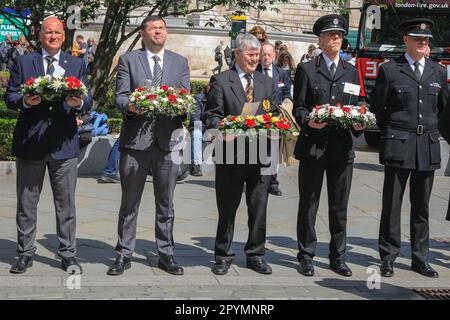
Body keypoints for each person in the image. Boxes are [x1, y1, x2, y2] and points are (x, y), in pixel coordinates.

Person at [5, 17, 92, 274]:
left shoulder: (76, 63)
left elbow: (88, 99)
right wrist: (26, 101)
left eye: (57, 32)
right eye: (48, 32)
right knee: (27, 202)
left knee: (66, 203)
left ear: (63, 36)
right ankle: (25, 253)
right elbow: (10, 96)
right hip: (31, 142)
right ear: (40, 35)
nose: (53, 36)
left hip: (63, 144)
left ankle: (67, 253)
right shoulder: (24, 61)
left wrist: (80, 105)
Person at [107, 16, 190, 276]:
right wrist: (130, 106)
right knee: (129, 203)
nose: (159, 31)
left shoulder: (180, 62)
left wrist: (181, 105)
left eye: (162, 28)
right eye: (153, 28)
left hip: (167, 144)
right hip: (135, 143)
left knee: (166, 203)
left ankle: (166, 254)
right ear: (143, 33)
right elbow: (119, 97)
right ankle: (123, 253)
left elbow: (186, 100)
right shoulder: (130, 60)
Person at [371, 18, 448, 278]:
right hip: (398, 144)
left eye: (426, 39)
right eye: (417, 38)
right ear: (405, 39)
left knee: (422, 207)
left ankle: (420, 257)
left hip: (426, 145)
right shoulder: (391, 70)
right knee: (392, 204)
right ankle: (389, 257)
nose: (423, 42)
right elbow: (377, 110)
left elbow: (444, 111)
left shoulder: (438, 72)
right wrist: (390, 135)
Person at [293, 14, 366, 277]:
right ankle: (306, 255)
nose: (336, 38)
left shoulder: (351, 70)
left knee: (339, 205)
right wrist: (308, 121)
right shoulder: (307, 69)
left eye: (339, 34)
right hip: (314, 145)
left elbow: (359, 103)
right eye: (331, 34)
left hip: (342, 147)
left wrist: (361, 120)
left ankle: (338, 257)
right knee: (309, 203)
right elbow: (299, 107)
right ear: (321, 40)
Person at [204, 33, 278, 276]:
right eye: (250, 54)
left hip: (261, 155)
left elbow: (274, 113)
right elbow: (211, 115)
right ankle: (223, 255)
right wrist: (221, 129)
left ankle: (255, 254)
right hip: (230, 154)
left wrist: (275, 128)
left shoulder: (266, 82)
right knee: (227, 208)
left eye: (257, 55)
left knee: (259, 207)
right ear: (237, 53)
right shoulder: (221, 80)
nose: (255, 59)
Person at [257, 41, 292, 196]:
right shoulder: (254, 72)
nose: (266, 57)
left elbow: (287, 94)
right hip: (257, 119)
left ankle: (273, 183)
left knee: (273, 152)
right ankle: (257, 180)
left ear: (274, 55)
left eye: (269, 54)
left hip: (275, 118)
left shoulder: (282, 73)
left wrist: (286, 104)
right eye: (263, 54)